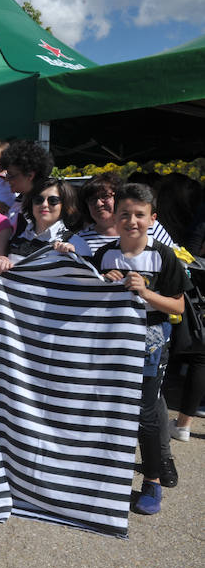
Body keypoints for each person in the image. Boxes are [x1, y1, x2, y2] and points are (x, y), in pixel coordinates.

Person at [90, 184, 190, 515]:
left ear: (152, 219)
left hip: (150, 343)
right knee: (108, 408)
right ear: (115, 218)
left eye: (139, 215)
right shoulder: (103, 254)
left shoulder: (163, 255)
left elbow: (178, 306)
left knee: (145, 413)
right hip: (111, 344)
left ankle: (153, 481)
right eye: (125, 214)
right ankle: (108, 476)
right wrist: (104, 282)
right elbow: (90, 301)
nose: (132, 221)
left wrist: (146, 293)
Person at [152, 173, 205, 442]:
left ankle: (182, 424)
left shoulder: (165, 229)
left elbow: (192, 252)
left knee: (197, 353)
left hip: (186, 291)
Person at [0, 178, 85, 276]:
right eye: (38, 200)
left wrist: (74, 258)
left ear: (65, 205)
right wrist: (0, 260)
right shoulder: (17, 234)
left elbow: (88, 282)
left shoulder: (76, 243)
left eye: (53, 200)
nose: (44, 204)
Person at [73, 173, 174, 255]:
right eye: (92, 199)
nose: (98, 203)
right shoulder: (80, 239)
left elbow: (175, 266)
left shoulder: (150, 227)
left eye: (105, 196)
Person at [0, 140, 54, 231]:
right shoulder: (20, 200)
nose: (7, 179)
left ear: (30, 175)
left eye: (11, 175)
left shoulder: (44, 207)